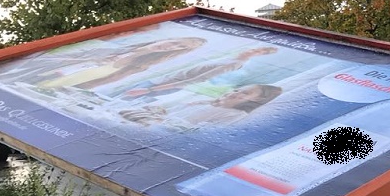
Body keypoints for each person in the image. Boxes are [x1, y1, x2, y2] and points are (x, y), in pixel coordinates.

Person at [34, 37, 207, 91]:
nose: (171, 46)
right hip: (35, 74)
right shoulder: (119, 45)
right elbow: (59, 56)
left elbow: (96, 83)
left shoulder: (139, 65)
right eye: (176, 42)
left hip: (49, 86)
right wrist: (89, 60)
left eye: (179, 47)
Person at [117, 45, 279, 102]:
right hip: (159, 81)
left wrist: (149, 90)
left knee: (120, 101)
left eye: (258, 51)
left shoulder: (234, 64)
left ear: (260, 55)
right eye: (255, 48)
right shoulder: (230, 58)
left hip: (160, 86)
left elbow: (195, 80)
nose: (252, 50)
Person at [119, 83, 282, 129]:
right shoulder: (205, 101)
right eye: (237, 89)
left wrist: (161, 119)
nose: (235, 92)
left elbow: (198, 131)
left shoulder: (235, 115)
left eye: (244, 93)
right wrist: (156, 111)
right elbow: (168, 111)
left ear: (256, 101)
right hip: (146, 122)